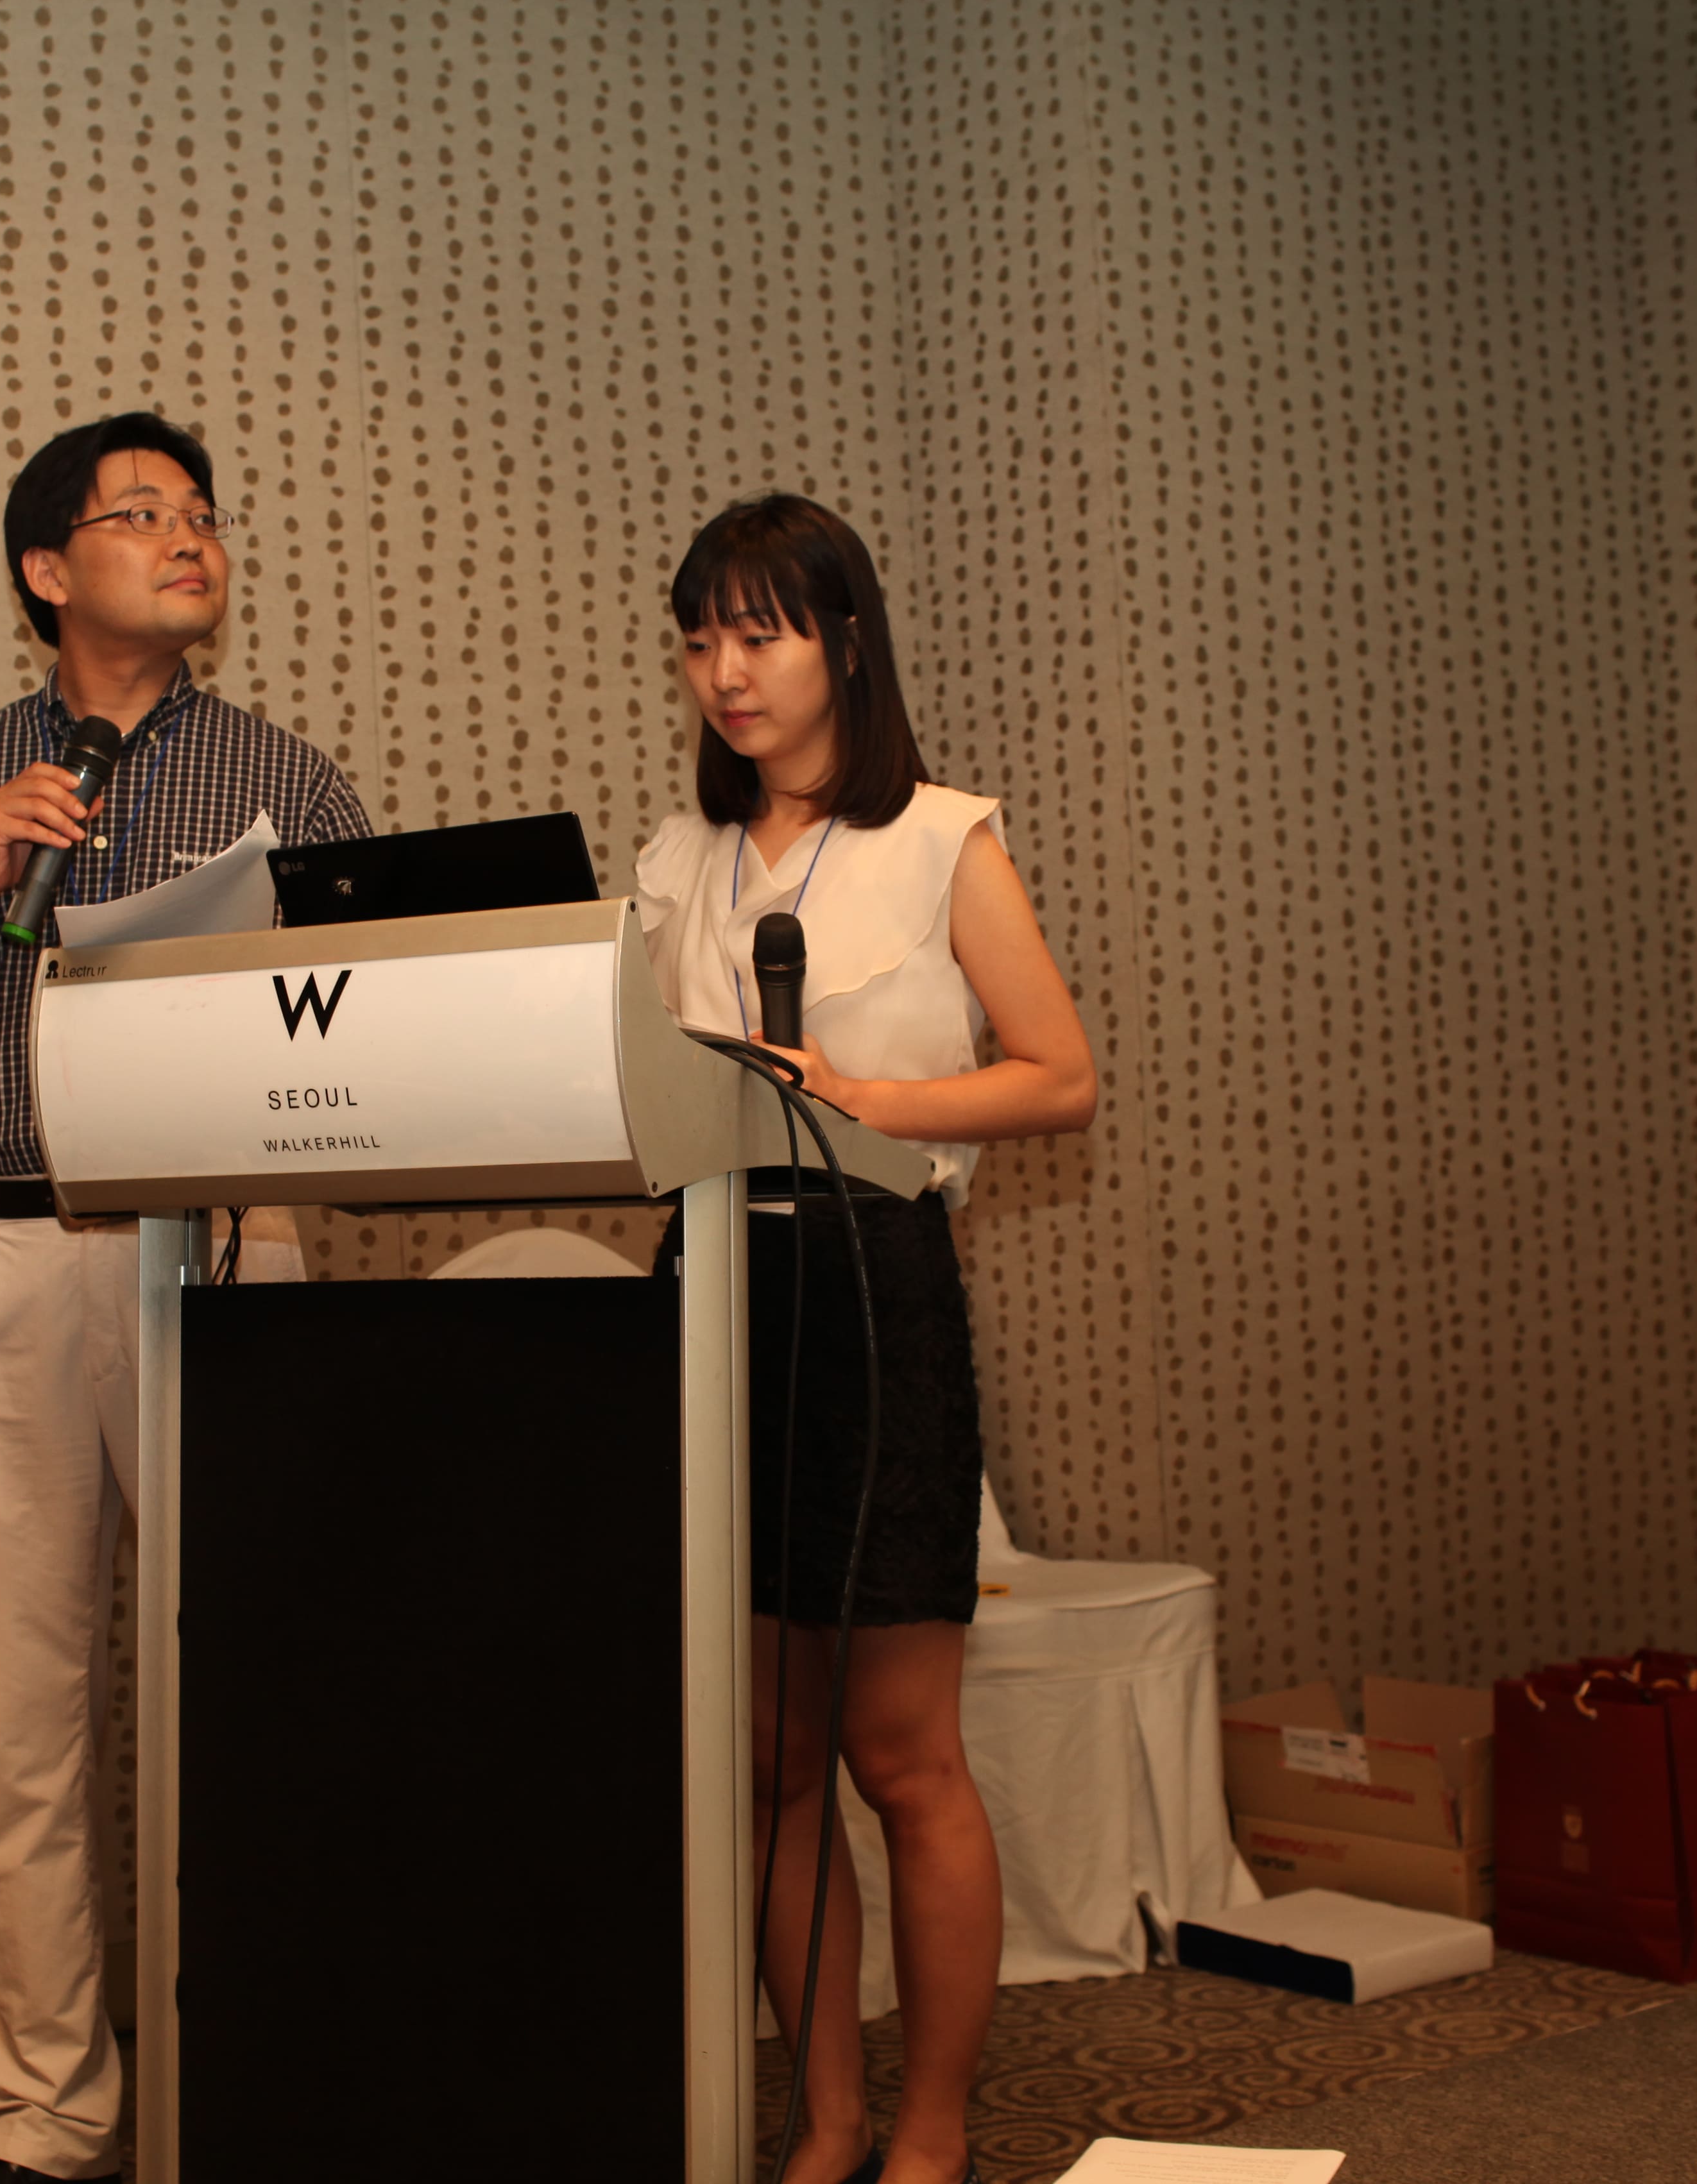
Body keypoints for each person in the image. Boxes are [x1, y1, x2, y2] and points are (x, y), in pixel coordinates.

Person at [0, 412, 370, 2184]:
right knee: (21, 1720)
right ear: (49, 571)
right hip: (17, 1255)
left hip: (233, 1246)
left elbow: (369, 1022)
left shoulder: (287, 781)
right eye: (141, 514)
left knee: (263, 1688)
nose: (188, 538)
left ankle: (264, 2073)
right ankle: (47, 2113)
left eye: (202, 513)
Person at [636, 495, 1095, 2184]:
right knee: (767, 1760)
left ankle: (931, 2131)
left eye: (758, 634)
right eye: (701, 640)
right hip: (710, 1286)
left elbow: (1059, 1076)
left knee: (901, 1757)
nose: (726, 672)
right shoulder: (675, 860)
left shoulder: (943, 837)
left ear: (843, 641)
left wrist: (867, 1100)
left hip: (872, 1282)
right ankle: (828, 2122)